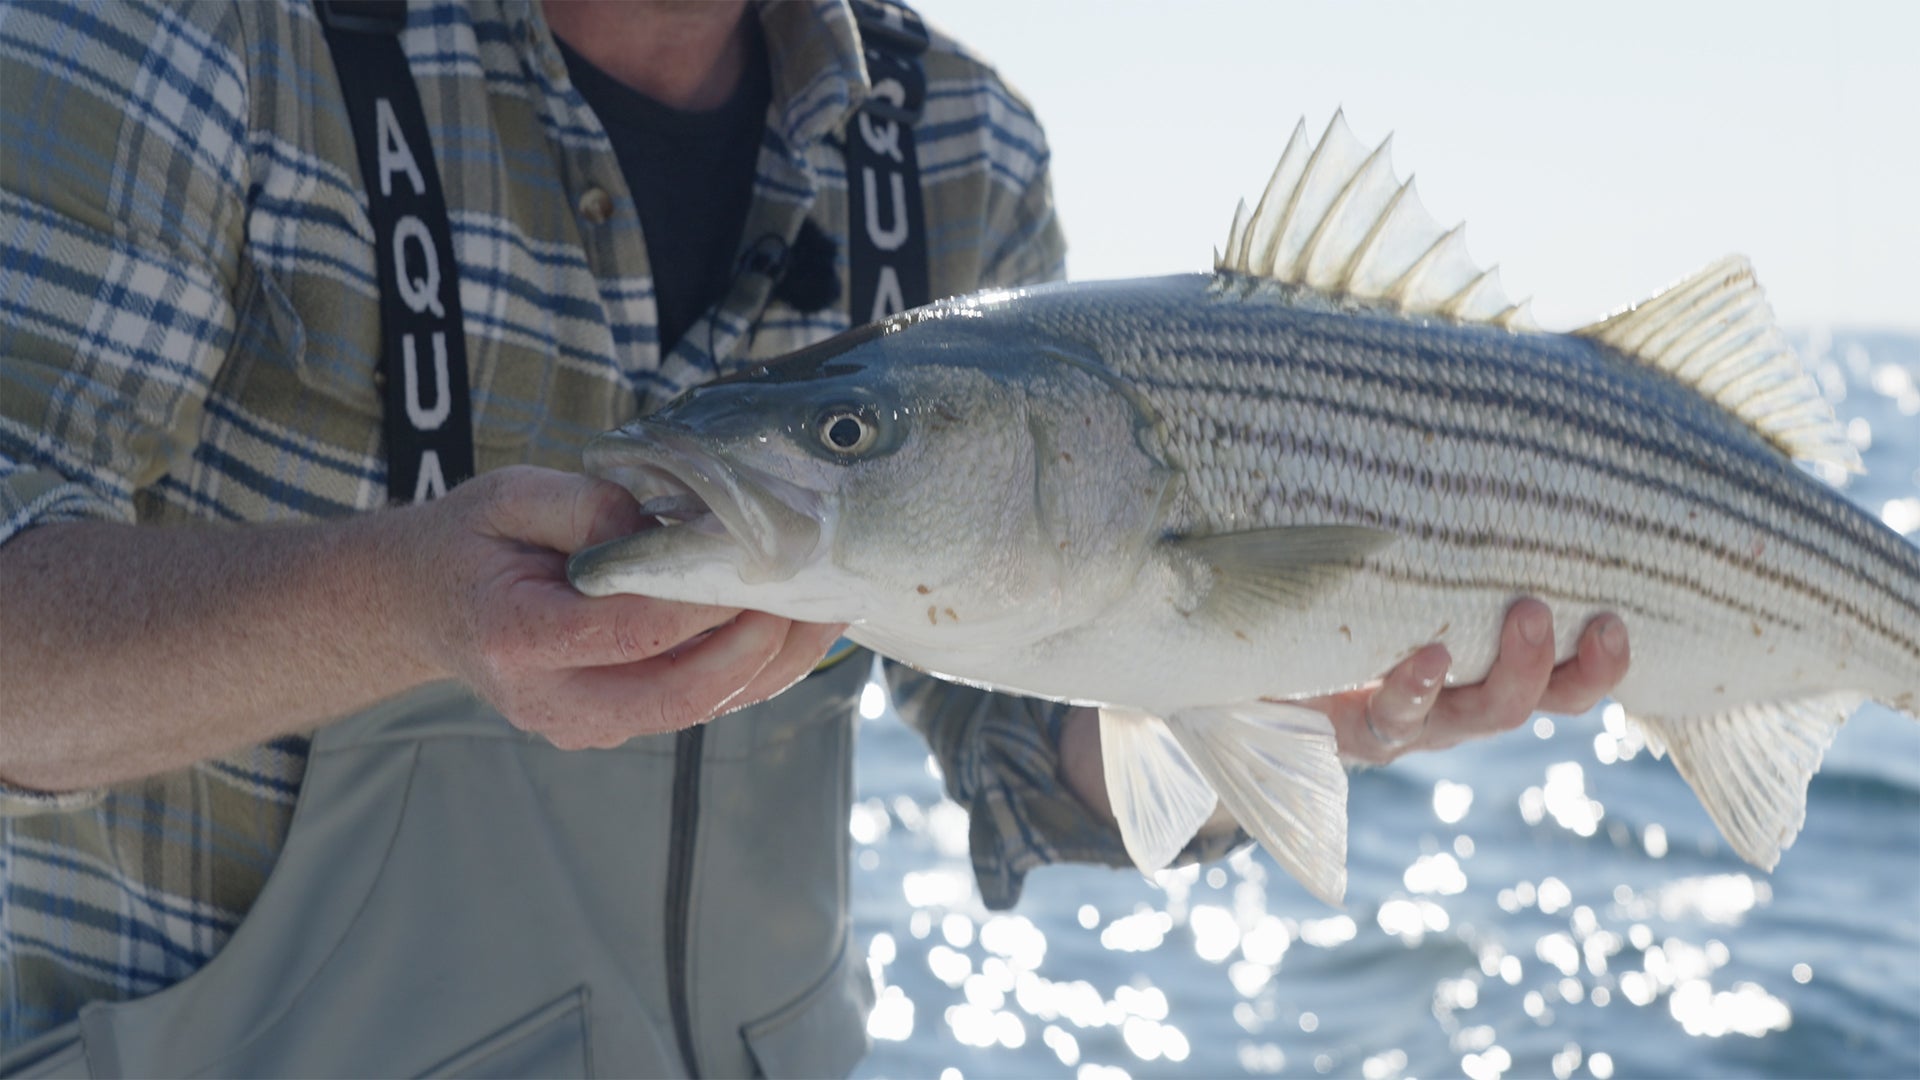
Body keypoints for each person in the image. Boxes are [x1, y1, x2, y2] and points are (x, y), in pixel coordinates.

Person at [0, 0, 1631, 1074]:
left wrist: (1271, 698)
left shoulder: (953, 140)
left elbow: (1022, 733)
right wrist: (408, 601)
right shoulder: (191, 33)